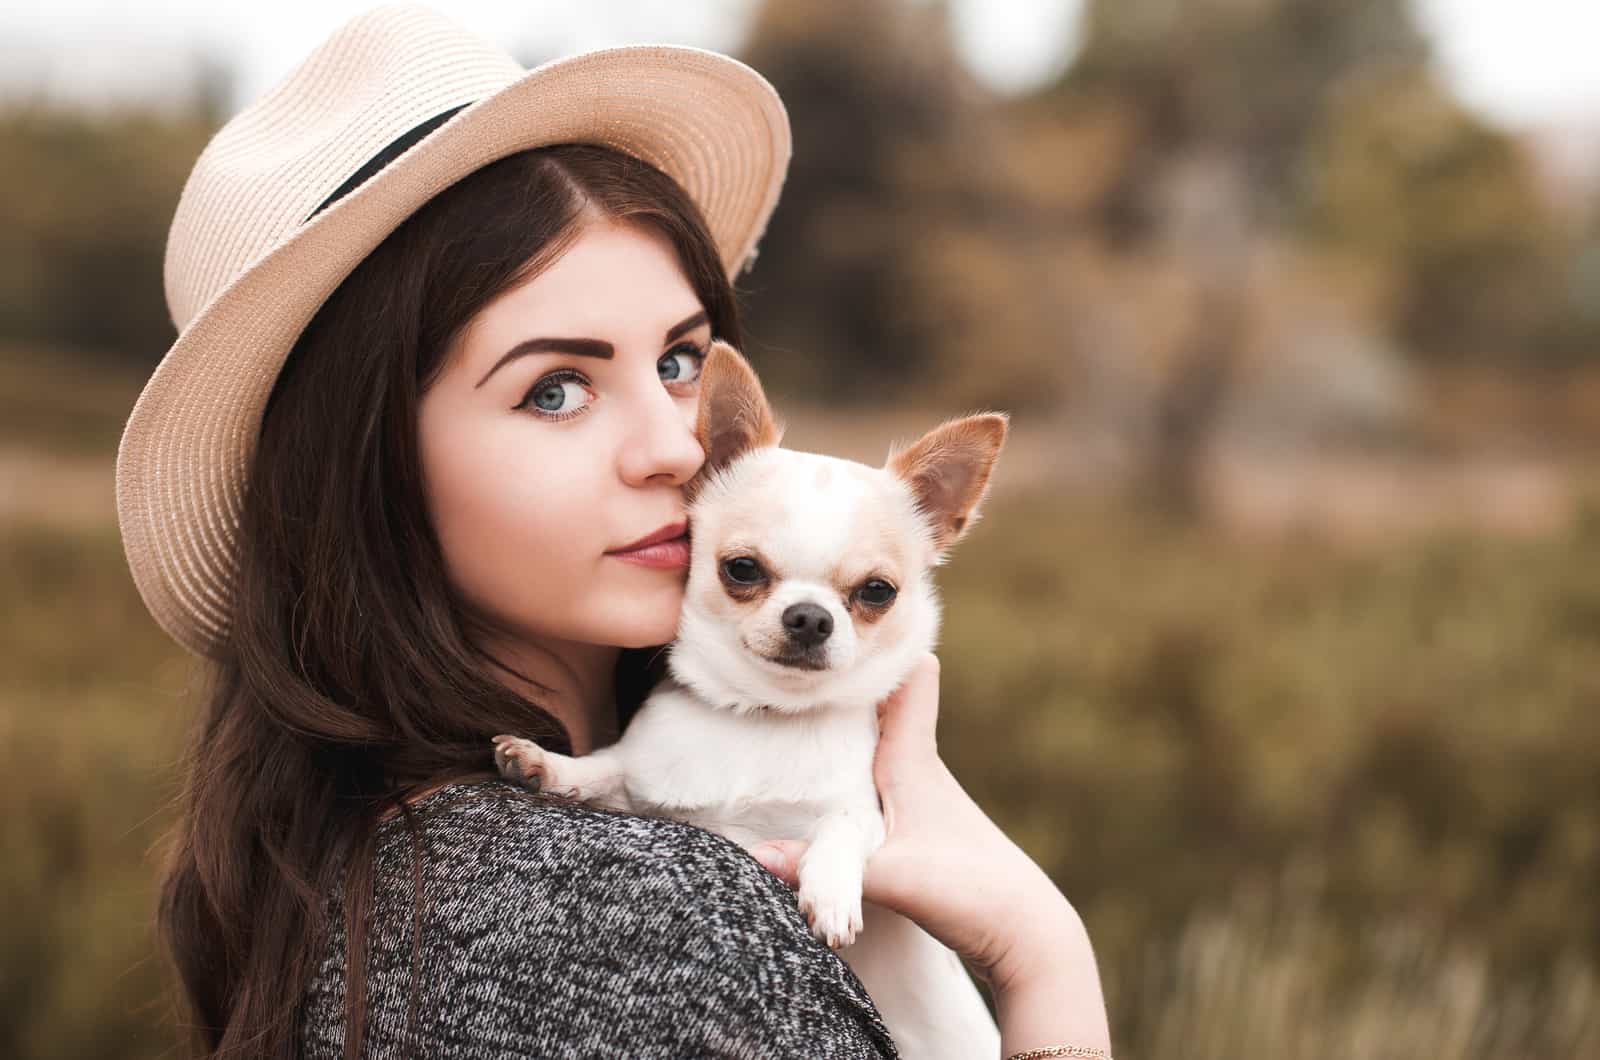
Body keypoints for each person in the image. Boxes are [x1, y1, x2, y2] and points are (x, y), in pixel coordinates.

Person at [115, 5, 1111, 1058]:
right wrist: (1041, 956)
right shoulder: (658, 925)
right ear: (367, 470)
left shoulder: (346, 871)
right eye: (555, 389)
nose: (676, 448)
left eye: (681, 361)